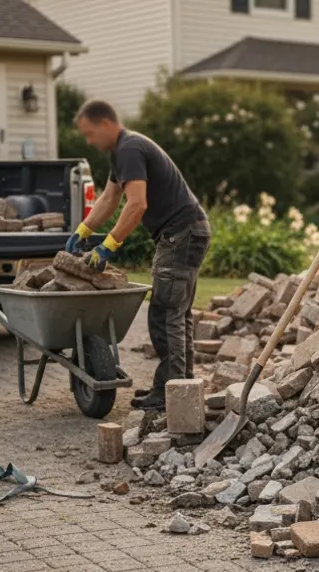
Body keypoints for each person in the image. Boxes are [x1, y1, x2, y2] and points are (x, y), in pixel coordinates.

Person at [68, 99, 210, 411]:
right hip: (187, 232)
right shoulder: (123, 152)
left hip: (181, 234)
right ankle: (177, 387)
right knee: (176, 314)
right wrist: (84, 230)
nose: (89, 141)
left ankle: (172, 392)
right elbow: (109, 198)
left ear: (106, 123)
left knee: (165, 314)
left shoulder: (129, 148)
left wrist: (109, 245)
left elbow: (136, 204)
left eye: (90, 133)